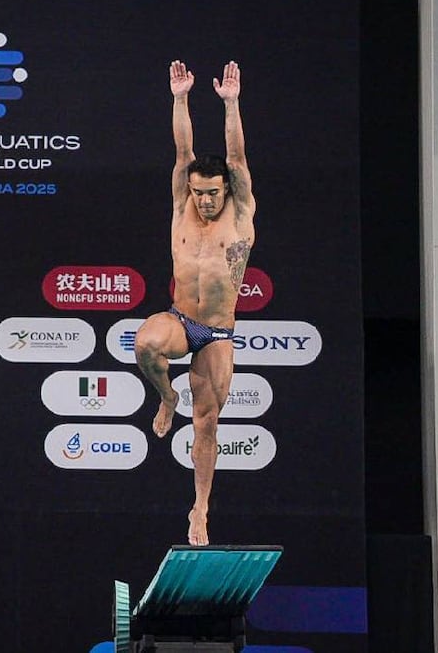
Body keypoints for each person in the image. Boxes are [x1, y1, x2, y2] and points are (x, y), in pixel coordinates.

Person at [134, 60, 256, 546]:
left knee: (207, 423)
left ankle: (200, 509)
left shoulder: (240, 210)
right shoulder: (182, 203)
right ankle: (167, 397)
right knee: (145, 344)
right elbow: (182, 151)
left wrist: (230, 104)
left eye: (213, 193)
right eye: (199, 193)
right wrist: (180, 98)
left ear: (228, 190)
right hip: (181, 320)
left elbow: (238, 157)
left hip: (218, 332)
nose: (205, 201)